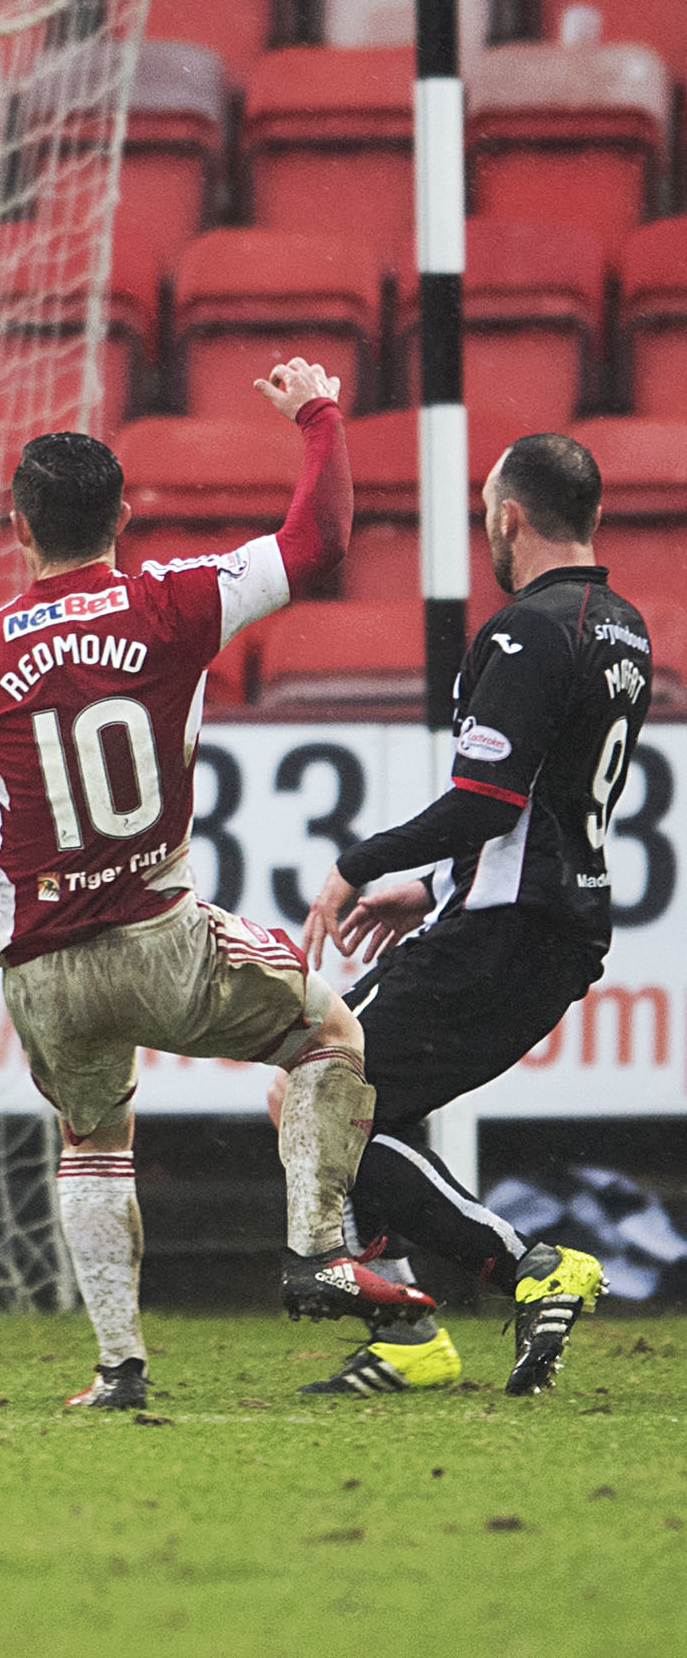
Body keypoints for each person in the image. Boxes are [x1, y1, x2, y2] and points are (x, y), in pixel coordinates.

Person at [0, 357, 435, 1413]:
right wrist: (318, 416)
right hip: (160, 937)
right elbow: (315, 542)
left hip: (42, 963)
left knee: (92, 1143)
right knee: (328, 1037)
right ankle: (316, 1249)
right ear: (123, 515)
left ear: (17, 525)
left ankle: (116, 1367)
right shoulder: (173, 600)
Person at [292, 432, 643, 1398]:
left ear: (509, 518)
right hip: (536, 924)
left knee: (315, 1095)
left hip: (504, 930)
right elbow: (543, 803)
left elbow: (487, 801)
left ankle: (513, 1277)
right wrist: (435, 887)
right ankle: (425, 1319)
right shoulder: (621, 626)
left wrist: (357, 865)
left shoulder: (531, 630)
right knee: (344, 1101)